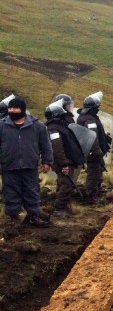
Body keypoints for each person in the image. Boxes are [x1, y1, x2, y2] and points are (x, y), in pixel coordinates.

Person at [0, 97, 53, 227]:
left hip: (30, 166)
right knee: (11, 193)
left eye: (15, 108)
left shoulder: (37, 126)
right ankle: (14, 219)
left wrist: (47, 161)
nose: (12, 111)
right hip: (9, 166)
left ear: (22, 109)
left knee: (32, 191)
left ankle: (33, 216)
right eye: (10, 108)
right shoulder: (2, 125)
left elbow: (46, 145)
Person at [45, 98, 86, 217]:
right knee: (67, 185)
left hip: (65, 161)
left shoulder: (58, 126)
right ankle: (59, 209)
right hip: (63, 162)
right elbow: (57, 149)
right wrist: (64, 164)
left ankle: (63, 206)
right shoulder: (54, 129)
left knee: (63, 183)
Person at [77, 91, 111, 204]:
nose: (98, 109)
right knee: (93, 173)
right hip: (93, 152)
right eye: (97, 107)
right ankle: (90, 196)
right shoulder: (89, 120)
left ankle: (97, 189)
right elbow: (92, 137)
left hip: (90, 151)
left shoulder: (84, 117)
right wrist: (97, 151)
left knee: (98, 171)